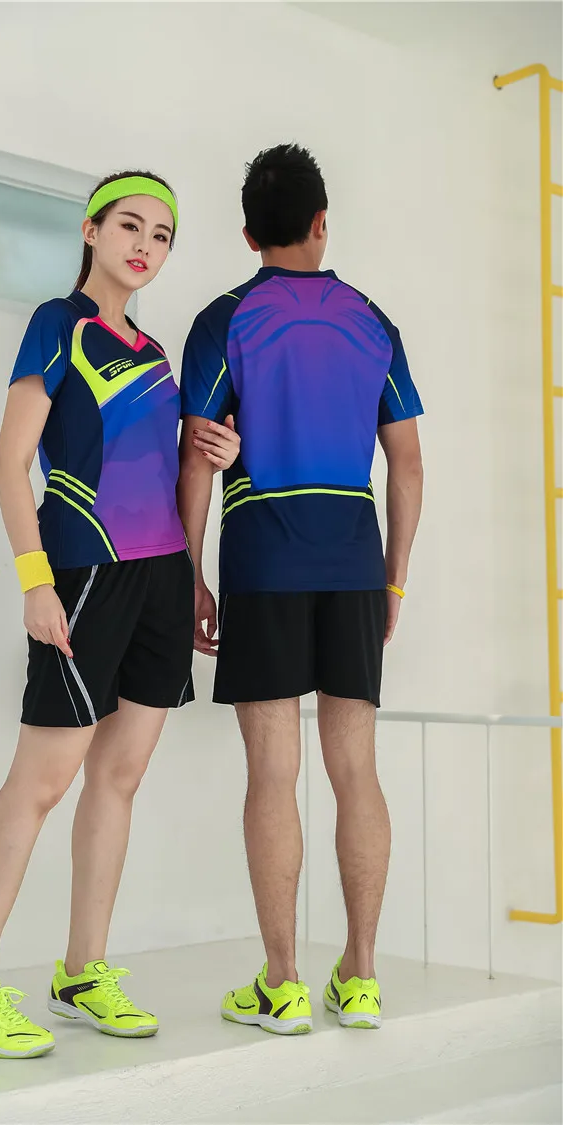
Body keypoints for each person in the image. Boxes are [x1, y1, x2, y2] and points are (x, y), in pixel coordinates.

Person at [0, 171, 240, 1058]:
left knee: (120, 778)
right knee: (40, 782)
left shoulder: (155, 351)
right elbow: (10, 462)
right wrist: (35, 582)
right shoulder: (56, 324)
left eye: (162, 234)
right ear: (92, 230)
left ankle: (81, 971)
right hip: (84, 574)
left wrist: (211, 452)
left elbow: (157, 462)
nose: (146, 245)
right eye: (130, 225)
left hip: (162, 578)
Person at [177, 144, 424, 1035]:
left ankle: (282, 983)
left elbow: (196, 456)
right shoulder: (373, 321)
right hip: (354, 560)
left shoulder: (224, 319)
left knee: (272, 772)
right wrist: (394, 578)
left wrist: (190, 574)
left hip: (264, 561)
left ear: (249, 235)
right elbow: (408, 464)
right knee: (356, 769)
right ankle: (360, 976)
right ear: (323, 222)